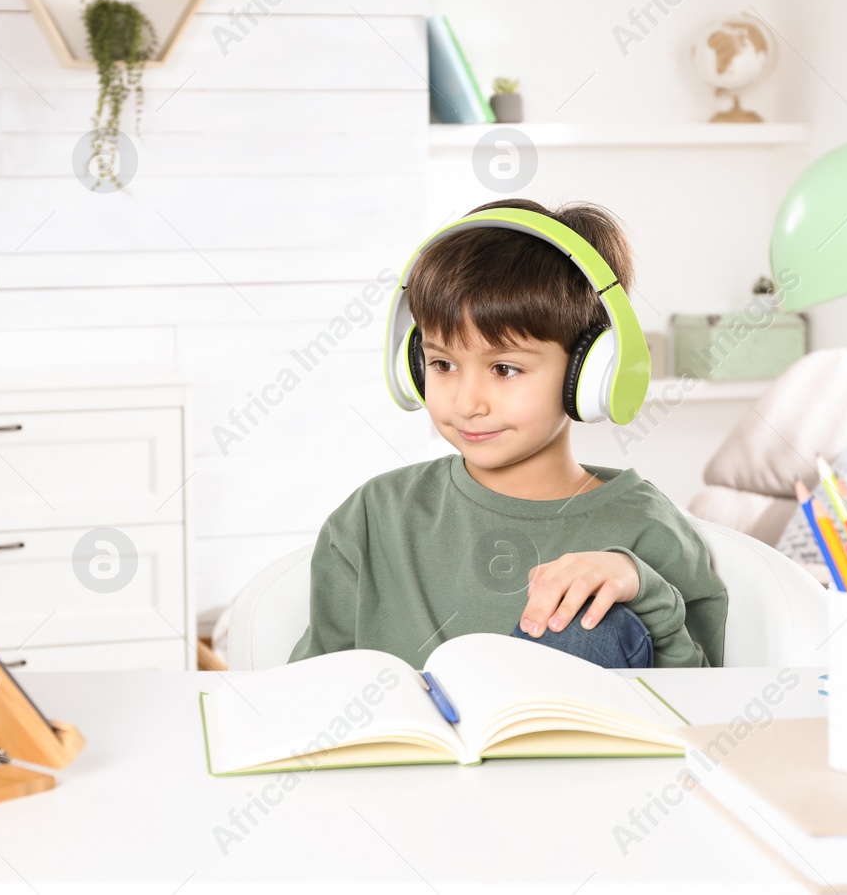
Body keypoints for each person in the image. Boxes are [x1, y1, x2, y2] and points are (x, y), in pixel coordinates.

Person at [288, 198, 727, 669]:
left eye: (504, 368)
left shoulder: (650, 532)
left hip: (581, 741)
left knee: (590, 624)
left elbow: (698, 716)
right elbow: (313, 690)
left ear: (592, 372)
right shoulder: (373, 518)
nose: (466, 403)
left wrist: (644, 588)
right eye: (442, 364)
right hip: (405, 744)